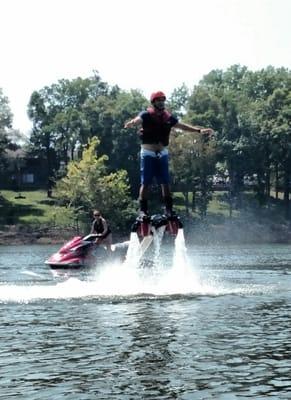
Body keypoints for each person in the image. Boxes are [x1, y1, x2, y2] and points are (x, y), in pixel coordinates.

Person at [124, 91, 214, 217]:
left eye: (163, 100)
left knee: (165, 182)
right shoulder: (146, 114)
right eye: (159, 100)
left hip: (162, 153)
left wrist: (199, 130)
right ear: (154, 102)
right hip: (148, 152)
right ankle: (143, 210)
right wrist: (132, 123)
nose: (161, 102)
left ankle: (168, 209)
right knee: (146, 182)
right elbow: (138, 119)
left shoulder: (168, 117)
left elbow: (181, 126)